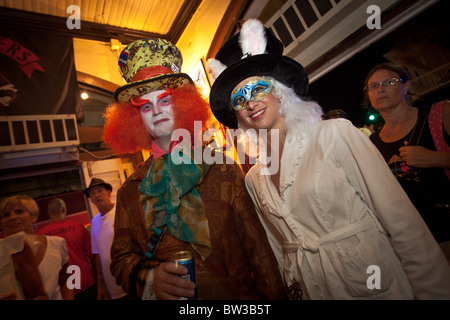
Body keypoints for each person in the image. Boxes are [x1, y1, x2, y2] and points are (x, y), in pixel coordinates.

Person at [207, 18, 450, 299]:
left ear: (279, 92)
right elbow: (278, 249)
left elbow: (402, 224)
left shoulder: (334, 135)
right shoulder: (253, 179)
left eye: (257, 89)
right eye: (239, 98)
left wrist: (435, 293)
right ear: (236, 114)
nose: (250, 102)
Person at [102, 38, 286, 300]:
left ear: (182, 104)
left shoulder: (224, 170)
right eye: (145, 105)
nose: (155, 111)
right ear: (133, 118)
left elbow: (261, 255)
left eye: (164, 100)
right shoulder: (128, 191)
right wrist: (150, 278)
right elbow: (121, 261)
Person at [365, 62, 450, 246]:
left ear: (406, 86)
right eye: (374, 86)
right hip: (416, 240)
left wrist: (438, 158)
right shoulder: (373, 143)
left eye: (389, 82)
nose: (380, 89)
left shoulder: (440, 113)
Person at [0, 195, 74, 300]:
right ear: (2, 224)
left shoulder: (56, 243)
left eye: (19, 212)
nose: (12, 217)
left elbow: (67, 279)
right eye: (6, 215)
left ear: (33, 216)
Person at [36, 198, 96, 300]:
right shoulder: (78, 227)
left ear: (48, 213)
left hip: (61, 289)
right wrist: (99, 279)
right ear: (64, 210)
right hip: (85, 283)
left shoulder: (40, 235)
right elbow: (93, 254)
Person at [83, 178, 127, 300]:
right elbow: (97, 255)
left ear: (108, 192)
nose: (97, 195)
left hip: (129, 280)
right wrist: (100, 282)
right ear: (90, 199)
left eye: (99, 191)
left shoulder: (120, 211)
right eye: (93, 193)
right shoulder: (94, 222)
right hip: (112, 287)